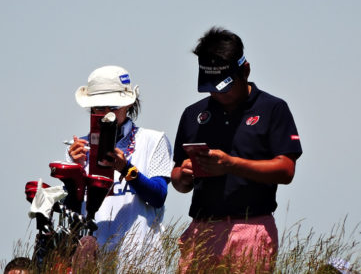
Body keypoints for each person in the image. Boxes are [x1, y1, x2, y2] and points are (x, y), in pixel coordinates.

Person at [171, 27, 303, 273]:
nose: (217, 94)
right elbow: (178, 180)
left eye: (224, 86)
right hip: (202, 228)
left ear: (245, 70)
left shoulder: (273, 109)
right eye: (211, 86)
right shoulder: (192, 114)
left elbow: (286, 170)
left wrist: (231, 164)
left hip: (251, 228)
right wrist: (184, 175)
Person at [67, 65, 173, 270]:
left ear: (128, 103)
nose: (107, 114)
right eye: (99, 107)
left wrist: (126, 169)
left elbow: (158, 196)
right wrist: (75, 173)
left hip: (141, 257)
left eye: (113, 106)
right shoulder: (78, 148)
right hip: (92, 260)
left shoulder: (153, 140)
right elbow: (72, 210)